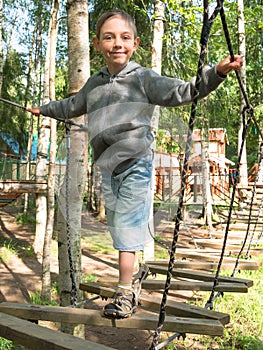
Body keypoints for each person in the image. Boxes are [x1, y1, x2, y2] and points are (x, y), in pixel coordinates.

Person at [27, 9, 243, 319]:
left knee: (126, 228)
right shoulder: (94, 83)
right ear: (98, 44)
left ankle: (125, 293)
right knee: (118, 229)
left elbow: (182, 91)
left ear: (135, 43)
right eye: (109, 37)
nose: (117, 43)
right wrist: (44, 110)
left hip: (137, 163)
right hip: (108, 169)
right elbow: (71, 105)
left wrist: (217, 73)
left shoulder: (143, 78)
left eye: (125, 37)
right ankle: (135, 275)